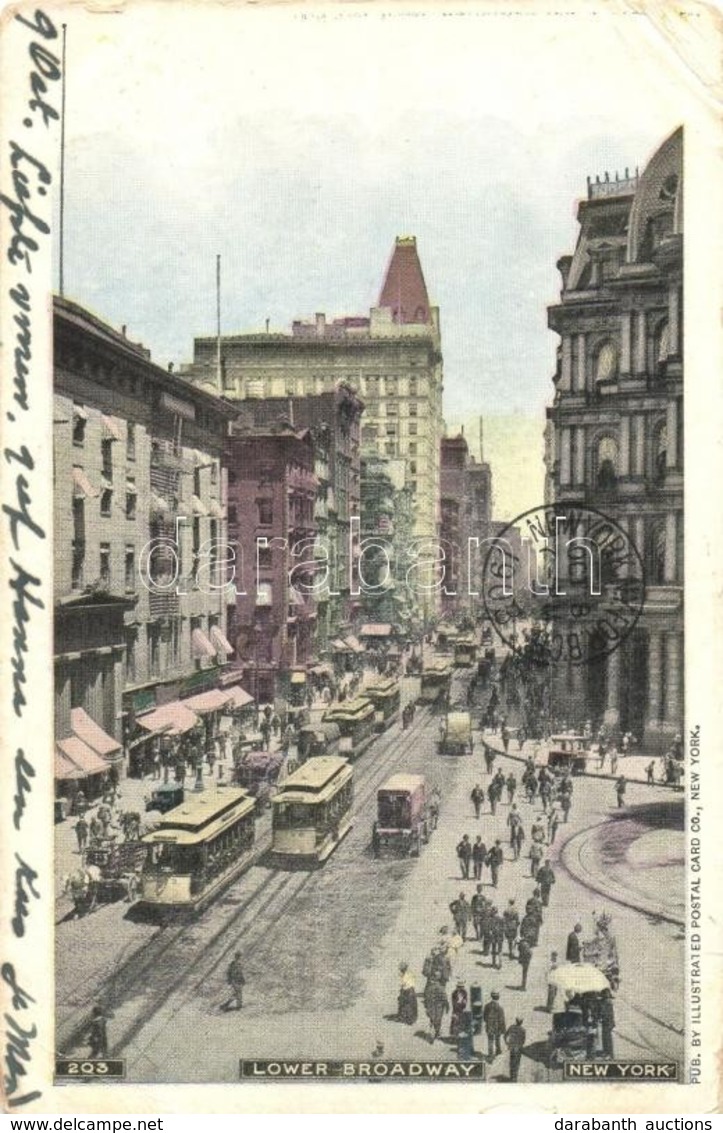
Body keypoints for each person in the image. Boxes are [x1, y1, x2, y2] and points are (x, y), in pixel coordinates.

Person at [482, 991, 506, 1060]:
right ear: (498, 997)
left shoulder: (487, 1006)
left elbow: (484, 1017)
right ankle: (498, 1051)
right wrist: (503, 1029)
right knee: (497, 1039)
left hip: (489, 1026)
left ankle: (490, 1054)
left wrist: (488, 1022)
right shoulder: (500, 1008)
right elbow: (502, 1020)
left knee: (490, 1040)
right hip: (497, 1027)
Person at [424, 978, 449, 1042]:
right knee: (438, 1020)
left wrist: (426, 1007)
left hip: (431, 1007)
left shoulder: (429, 988)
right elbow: (444, 998)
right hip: (439, 1007)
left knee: (432, 1019)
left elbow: (426, 999)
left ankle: (432, 1033)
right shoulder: (441, 988)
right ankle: (437, 1032)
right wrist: (447, 1006)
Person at [505, 1017, 526, 1082]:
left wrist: (507, 1043)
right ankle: (515, 1078)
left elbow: (505, 1036)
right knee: (517, 1063)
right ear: (522, 1022)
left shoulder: (511, 1027)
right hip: (518, 1049)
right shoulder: (523, 1030)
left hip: (512, 1048)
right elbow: (523, 1041)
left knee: (511, 1062)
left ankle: (511, 1076)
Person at [599, 988, 616, 1057]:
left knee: (607, 1038)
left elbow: (608, 1014)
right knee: (606, 1037)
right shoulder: (607, 1002)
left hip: (607, 1022)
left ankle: (609, 1053)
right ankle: (607, 1052)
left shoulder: (607, 1003)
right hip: (607, 1022)